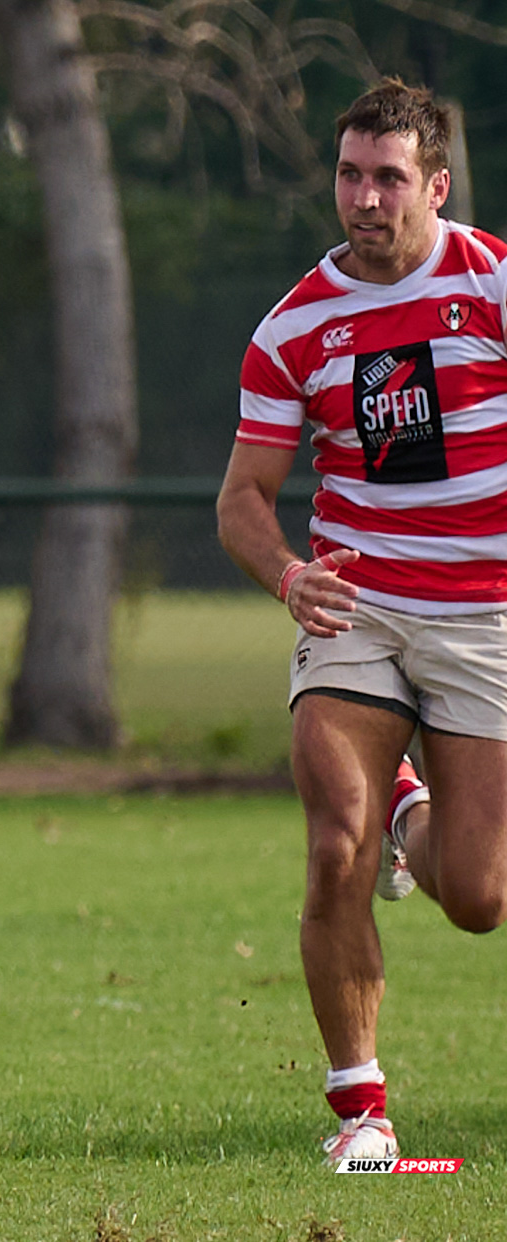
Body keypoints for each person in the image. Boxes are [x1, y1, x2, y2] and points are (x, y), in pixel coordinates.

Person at [216, 79, 507, 1167]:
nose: (365, 197)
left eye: (389, 178)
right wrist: (291, 578)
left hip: (483, 617)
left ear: (435, 185)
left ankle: (409, 815)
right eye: (350, 175)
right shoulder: (295, 324)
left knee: (480, 899)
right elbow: (242, 501)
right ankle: (361, 1116)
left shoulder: (492, 286)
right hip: (359, 611)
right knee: (332, 845)